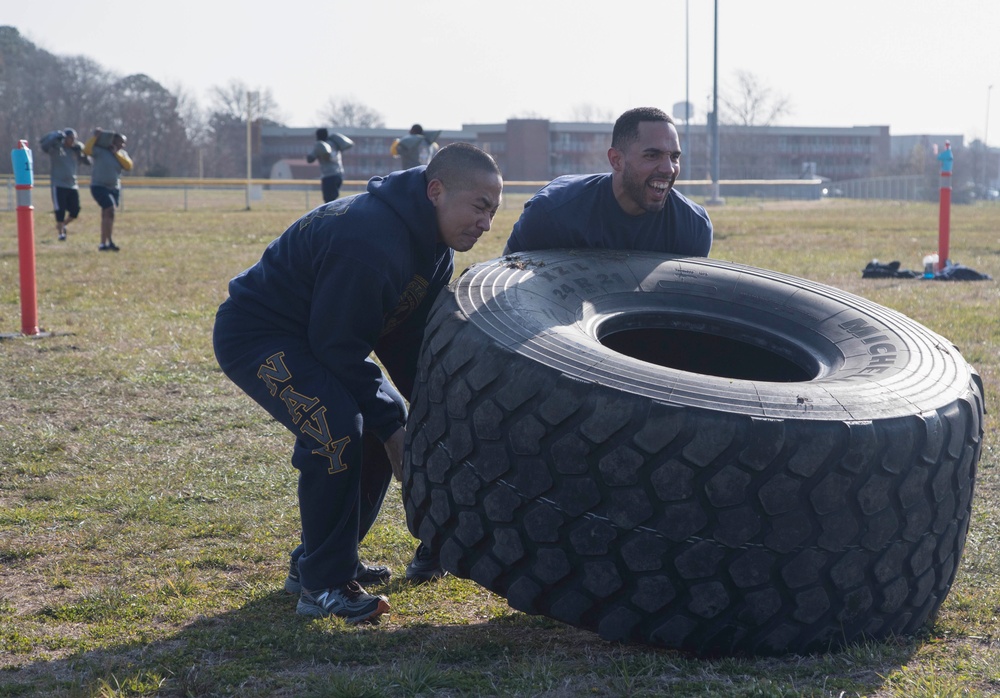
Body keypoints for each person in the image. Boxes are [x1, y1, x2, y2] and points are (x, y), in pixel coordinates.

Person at [212, 143, 503, 622]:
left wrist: (436, 411)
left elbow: (404, 344)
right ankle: (323, 586)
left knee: (375, 425)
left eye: (492, 211)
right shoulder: (370, 240)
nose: (486, 223)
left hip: (318, 340)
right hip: (257, 334)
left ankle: (319, 561)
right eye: (479, 207)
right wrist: (392, 426)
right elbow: (337, 349)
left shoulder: (434, 251)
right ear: (436, 191)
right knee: (339, 431)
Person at [503, 106, 713, 256]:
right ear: (616, 160)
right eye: (652, 155)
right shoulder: (553, 212)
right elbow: (505, 282)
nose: (668, 168)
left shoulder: (692, 226)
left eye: (674, 157)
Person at [83, 128, 133, 251]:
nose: (123, 144)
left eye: (124, 143)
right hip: (99, 186)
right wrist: (95, 137)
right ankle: (106, 242)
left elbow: (128, 166)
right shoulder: (100, 151)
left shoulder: (122, 154)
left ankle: (105, 243)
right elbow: (87, 150)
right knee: (109, 209)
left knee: (108, 214)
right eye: (120, 141)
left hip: (114, 188)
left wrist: (116, 153)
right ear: (113, 140)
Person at [41, 128, 91, 241]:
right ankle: (61, 233)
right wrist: (55, 136)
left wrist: (83, 153)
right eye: (70, 138)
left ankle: (63, 225)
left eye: (74, 139)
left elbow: (88, 162)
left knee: (75, 211)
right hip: (59, 184)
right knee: (60, 210)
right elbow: (44, 146)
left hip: (72, 185)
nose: (72, 141)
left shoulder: (75, 151)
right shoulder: (57, 149)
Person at [306, 127, 354, 203]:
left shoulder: (320, 146)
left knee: (328, 201)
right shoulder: (334, 143)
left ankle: (333, 214)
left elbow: (310, 159)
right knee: (333, 198)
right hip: (339, 175)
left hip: (328, 176)